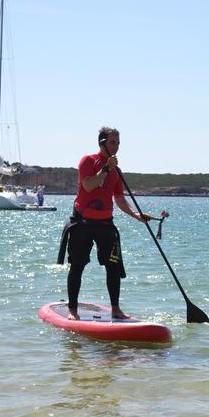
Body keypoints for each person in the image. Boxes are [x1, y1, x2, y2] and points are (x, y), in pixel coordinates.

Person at [60, 127, 153, 320]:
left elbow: (119, 199)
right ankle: (72, 310)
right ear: (102, 143)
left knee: (113, 266)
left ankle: (116, 309)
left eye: (118, 143)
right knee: (77, 266)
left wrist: (136, 215)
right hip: (82, 223)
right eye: (112, 143)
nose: (116, 147)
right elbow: (88, 185)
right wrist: (105, 169)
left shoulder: (116, 172)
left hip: (105, 224)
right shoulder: (88, 161)